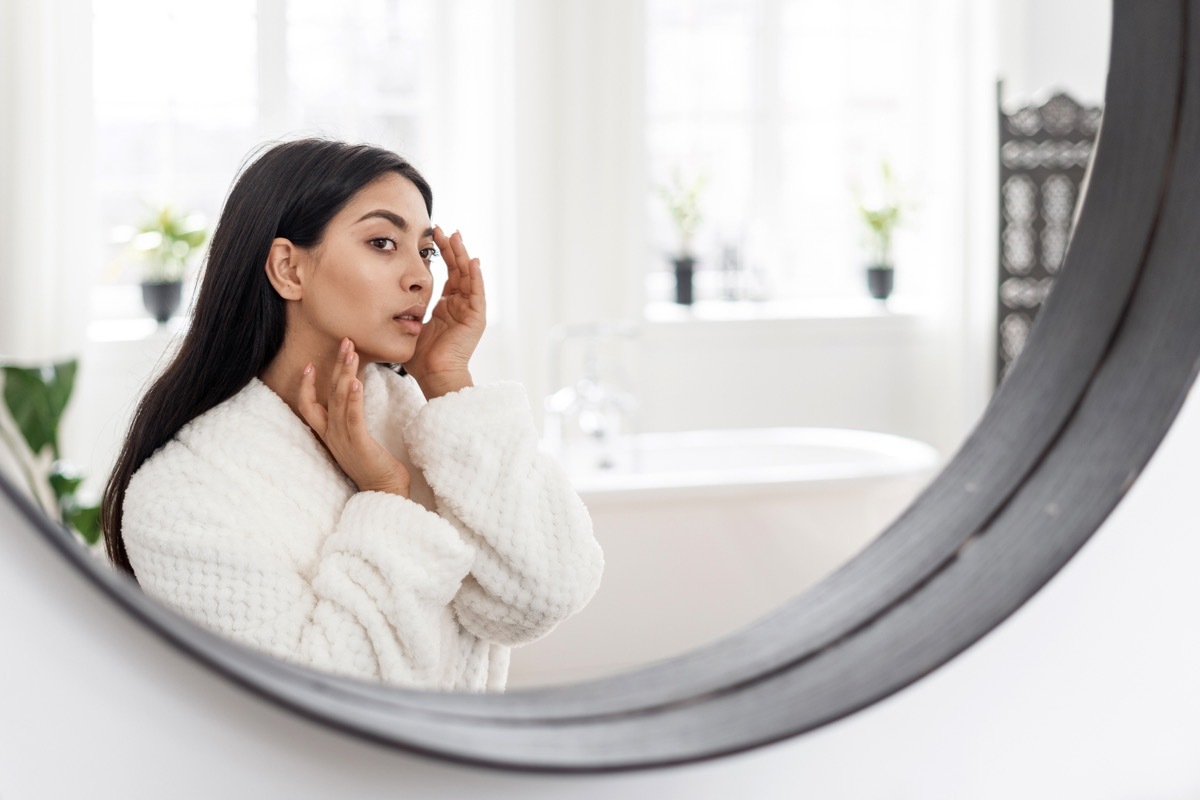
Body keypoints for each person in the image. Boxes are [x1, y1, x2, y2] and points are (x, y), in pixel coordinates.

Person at [100, 138, 603, 692]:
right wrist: (386, 494)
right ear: (288, 268)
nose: (421, 278)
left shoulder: (420, 423)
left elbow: (544, 593)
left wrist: (448, 380)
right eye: (383, 242)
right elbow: (321, 710)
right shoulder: (184, 494)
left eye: (426, 251)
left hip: (469, 773)